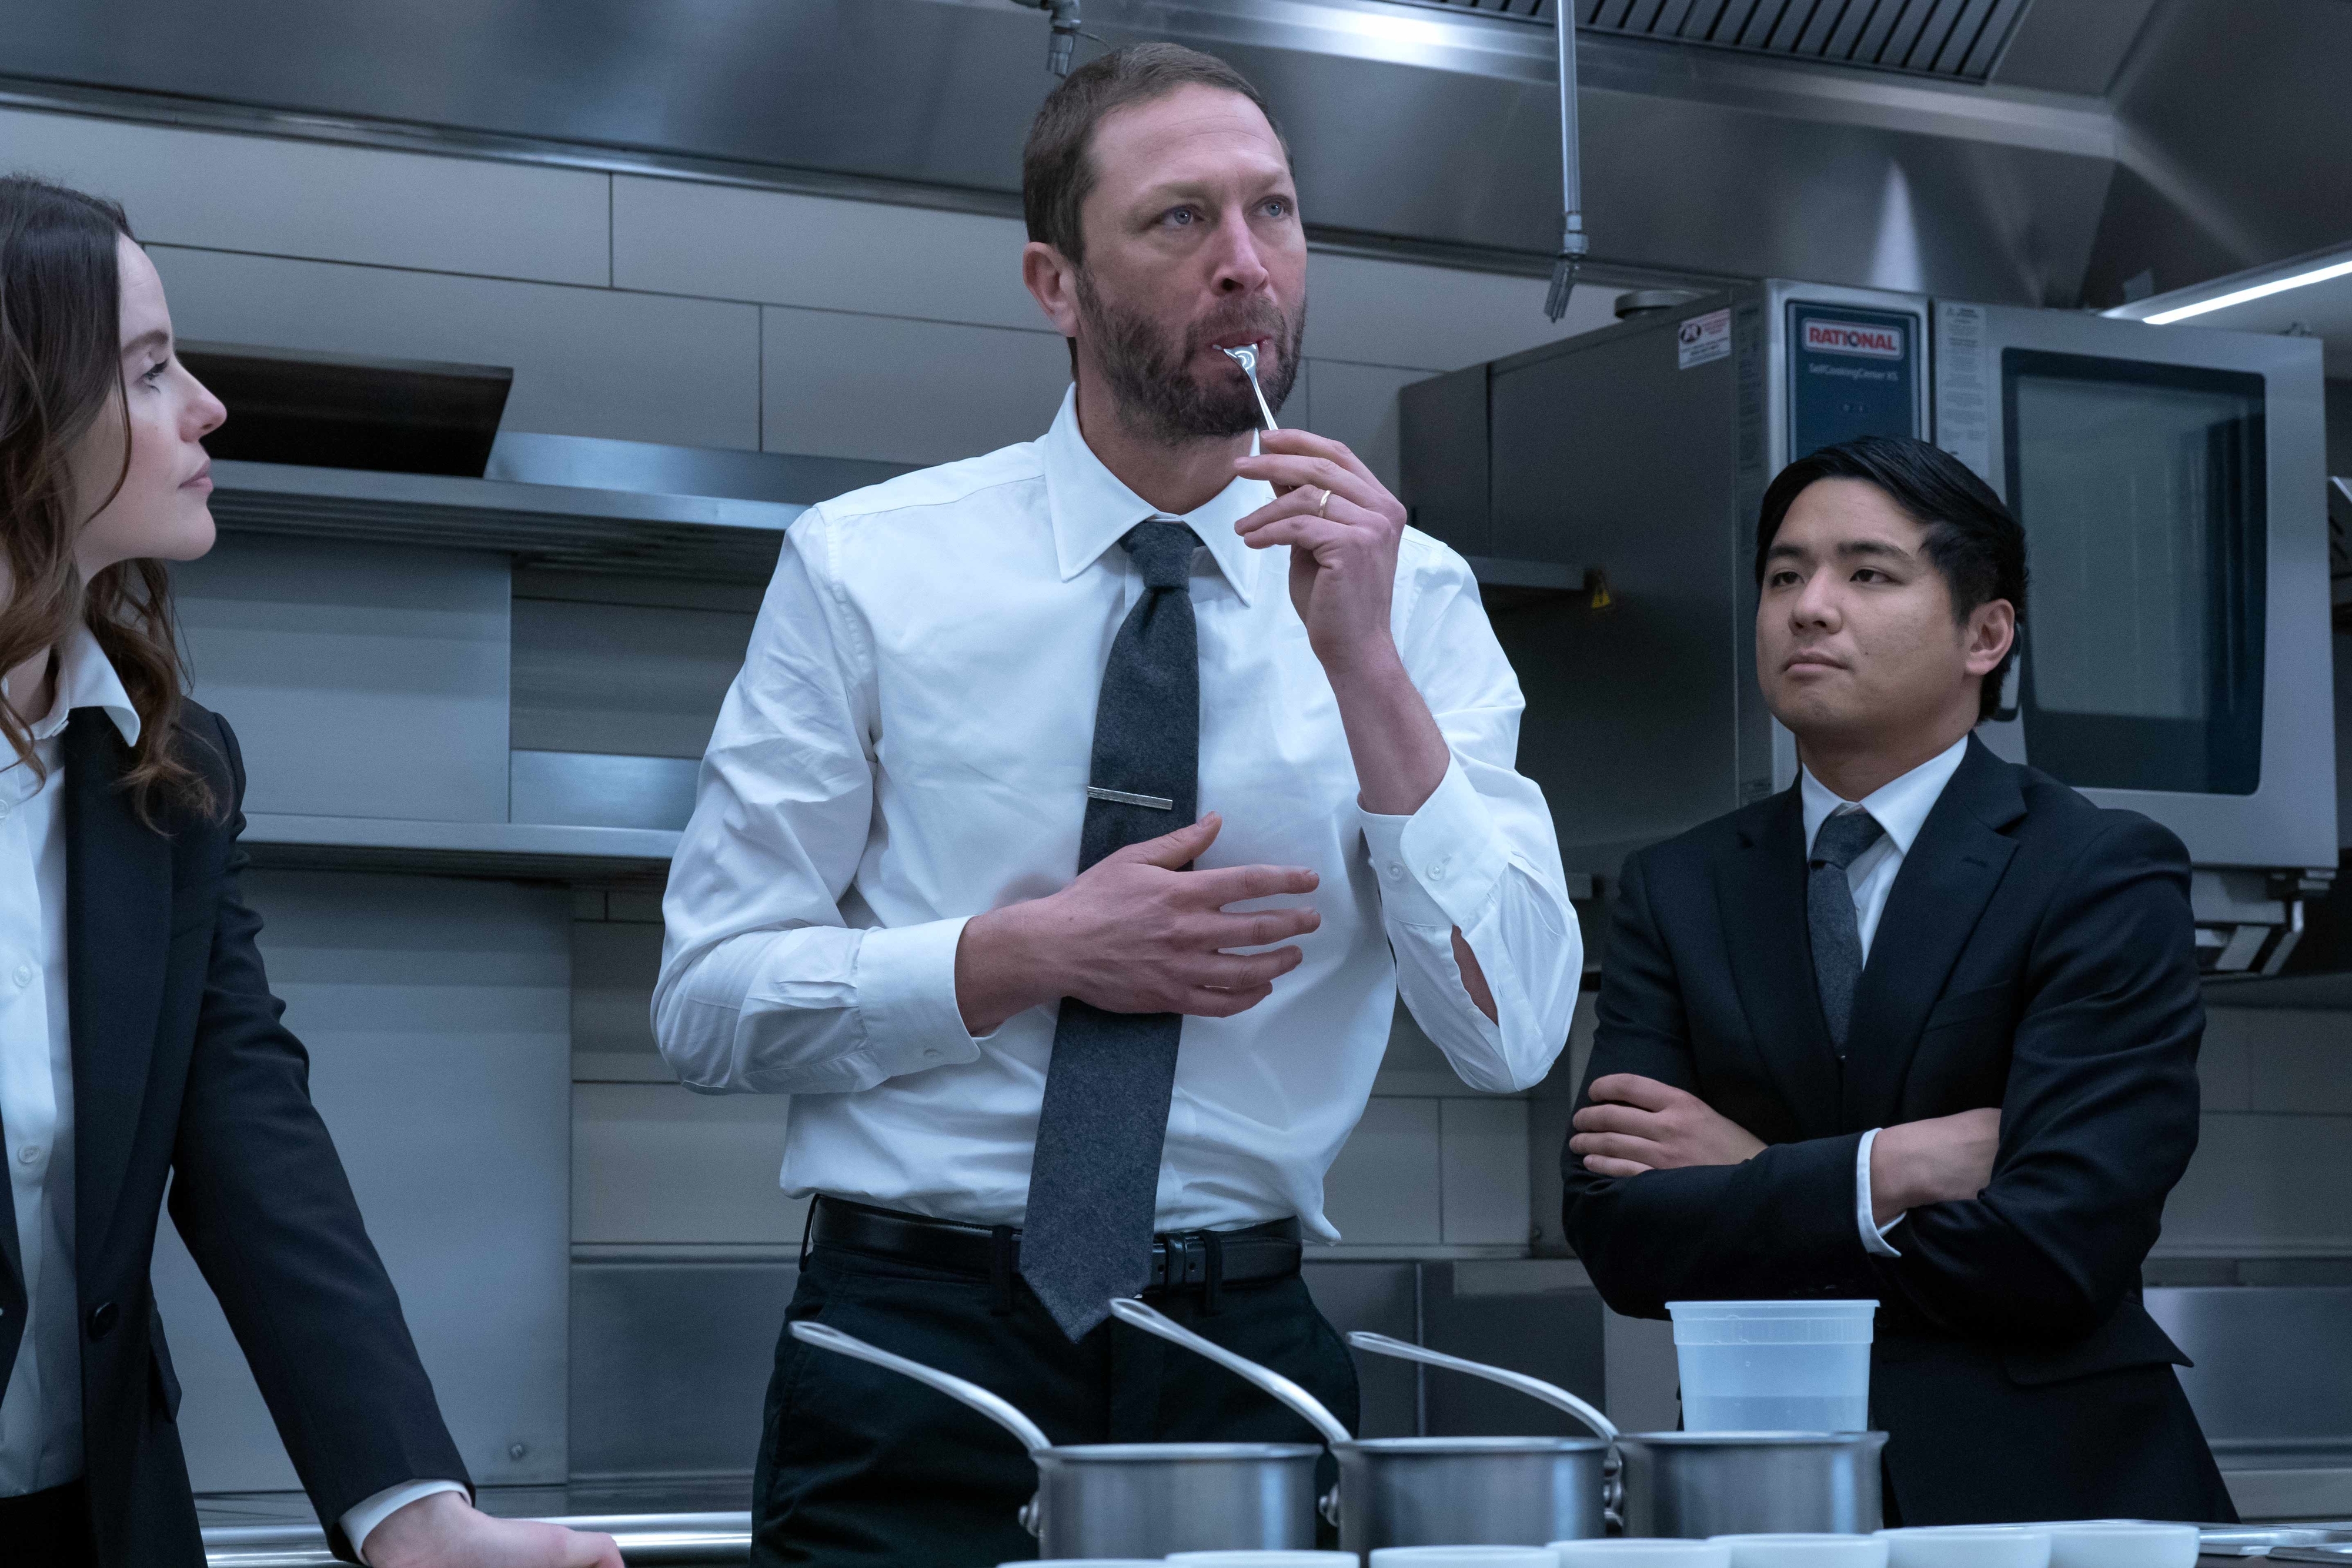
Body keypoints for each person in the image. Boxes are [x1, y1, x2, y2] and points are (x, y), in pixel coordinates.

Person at [654, 42, 1581, 1567]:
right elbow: (704, 1001)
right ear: (1054, 282)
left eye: (1274, 213)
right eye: (1179, 221)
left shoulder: (1411, 597)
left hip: (1244, 1341)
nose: (1244, 263)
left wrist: (1366, 669)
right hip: (912, 1341)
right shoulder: (867, 566)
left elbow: (1516, 1032)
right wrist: (1022, 953)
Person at [0, 177, 622, 1568]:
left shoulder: (169, 776)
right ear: (20, 416)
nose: (206, 406)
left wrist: (416, 1509)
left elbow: (253, 1147)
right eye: (151, 371)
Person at [1559, 434, 2234, 1525]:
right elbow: (1623, 1240)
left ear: (1986, 632)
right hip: (1762, 1504)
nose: (1811, 609)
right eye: (1785, 575)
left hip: (2049, 1501)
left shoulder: (2096, 869)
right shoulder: (1679, 887)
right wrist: (1892, 1168)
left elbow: (2059, 1246)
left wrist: (1751, 1174)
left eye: (1869, 574)